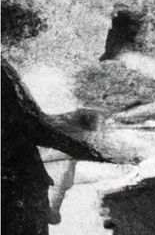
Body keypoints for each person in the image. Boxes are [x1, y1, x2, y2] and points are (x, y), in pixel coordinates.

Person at [2, 58, 107, 235]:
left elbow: (40, 131)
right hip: (26, 191)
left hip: (25, 191)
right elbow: (42, 132)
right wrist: (97, 154)